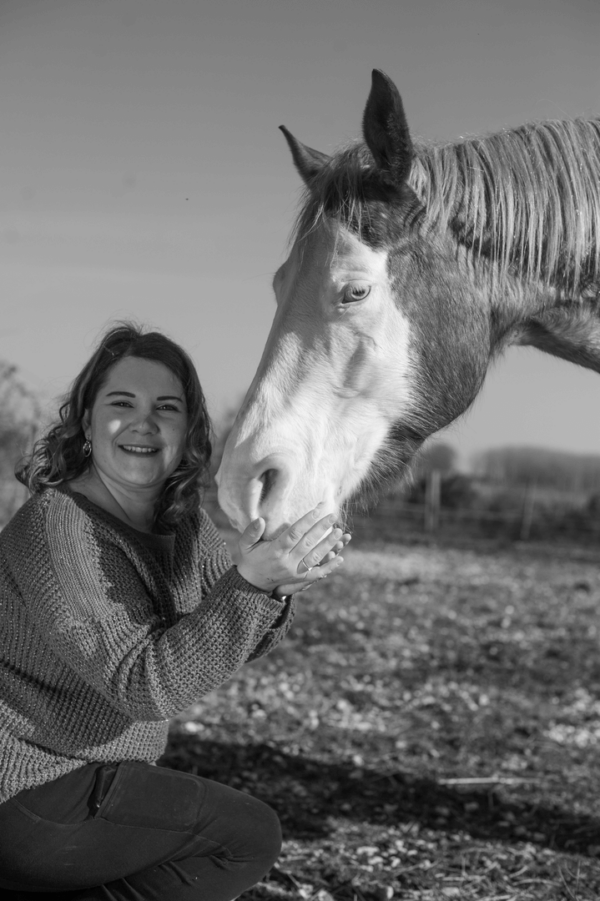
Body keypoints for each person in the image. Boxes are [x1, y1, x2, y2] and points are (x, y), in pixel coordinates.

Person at [0, 323, 349, 901]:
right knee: (244, 836)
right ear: (88, 421)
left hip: (87, 777)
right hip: (25, 789)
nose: (144, 422)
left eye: (167, 406)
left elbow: (237, 633)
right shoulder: (58, 526)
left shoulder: (180, 521)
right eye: (121, 403)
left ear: (188, 429)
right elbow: (144, 686)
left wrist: (280, 582)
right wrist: (251, 584)